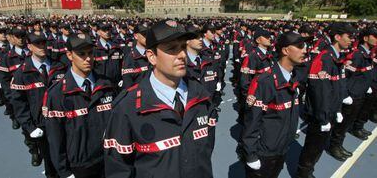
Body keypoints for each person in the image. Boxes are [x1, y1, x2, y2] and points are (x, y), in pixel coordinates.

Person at [104, 20, 217, 178]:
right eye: (172, 49)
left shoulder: (201, 96)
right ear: (152, 57)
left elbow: (205, 152)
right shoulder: (127, 108)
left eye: (183, 47)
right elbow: (118, 169)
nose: (182, 55)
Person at [44, 33, 116, 178]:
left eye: (90, 53)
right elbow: (55, 138)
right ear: (70, 55)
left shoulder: (107, 85)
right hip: (80, 166)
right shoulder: (57, 94)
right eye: (81, 54)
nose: (88, 58)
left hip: (108, 160)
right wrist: (64, 172)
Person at [242, 32, 306, 178]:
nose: (304, 50)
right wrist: (251, 155)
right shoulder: (265, 81)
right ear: (285, 50)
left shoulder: (294, 77)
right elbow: (252, 121)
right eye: (299, 46)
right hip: (264, 152)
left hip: (282, 147)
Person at [297, 23, 356, 178]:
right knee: (313, 146)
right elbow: (319, 92)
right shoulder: (324, 59)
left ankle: (308, 171)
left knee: (320, 145)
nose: (352, 40)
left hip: (330, 110)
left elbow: (339, 84)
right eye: (349, 36)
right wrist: (323, 118)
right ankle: (303, 173)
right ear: (337, 37)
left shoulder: (337, 58)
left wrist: (337, 110)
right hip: (320, 113)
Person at [11, 32, 66, 177]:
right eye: (37, 44)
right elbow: (19, 103)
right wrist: (30, 127)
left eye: (43, 43)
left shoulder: (60, 67)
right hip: (42, 126)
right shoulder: (22, 73)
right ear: (29, 46)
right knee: (51, 163)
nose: (42, 46)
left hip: (63, 122)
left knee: (67, 160)